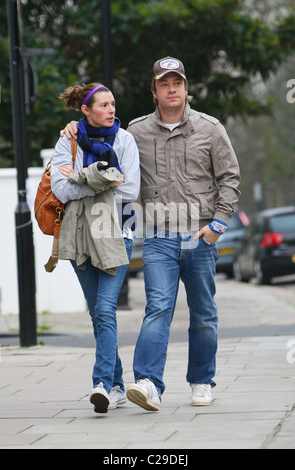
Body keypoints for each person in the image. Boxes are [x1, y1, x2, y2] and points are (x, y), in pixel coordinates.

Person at [62, 57, 241, 411]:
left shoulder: (211, 128)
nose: (172, 89)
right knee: (158, 308)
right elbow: (103, 147)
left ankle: (202, 381)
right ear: (155, 91)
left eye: (178, 83)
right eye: (164, 83)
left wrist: (218, 224)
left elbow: (230, 178)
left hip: (200, 236)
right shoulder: (136, 131)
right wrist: (74, 127)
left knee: (203, 312)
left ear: (186, 89)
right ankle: (147, 383)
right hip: (158, 236)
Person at [51, 82, 140, 414]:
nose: (112, 110)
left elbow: (130, 186)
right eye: (103, 105)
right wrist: (101, 179)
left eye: (113, 104)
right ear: (85, 110)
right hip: (80, 235)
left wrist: (80, 177)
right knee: (98, 314)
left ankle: (102, 383)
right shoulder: (69, 139)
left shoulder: (125, 139)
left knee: (105, 310)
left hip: (118, 231)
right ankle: (116, 385)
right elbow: (60, 190)